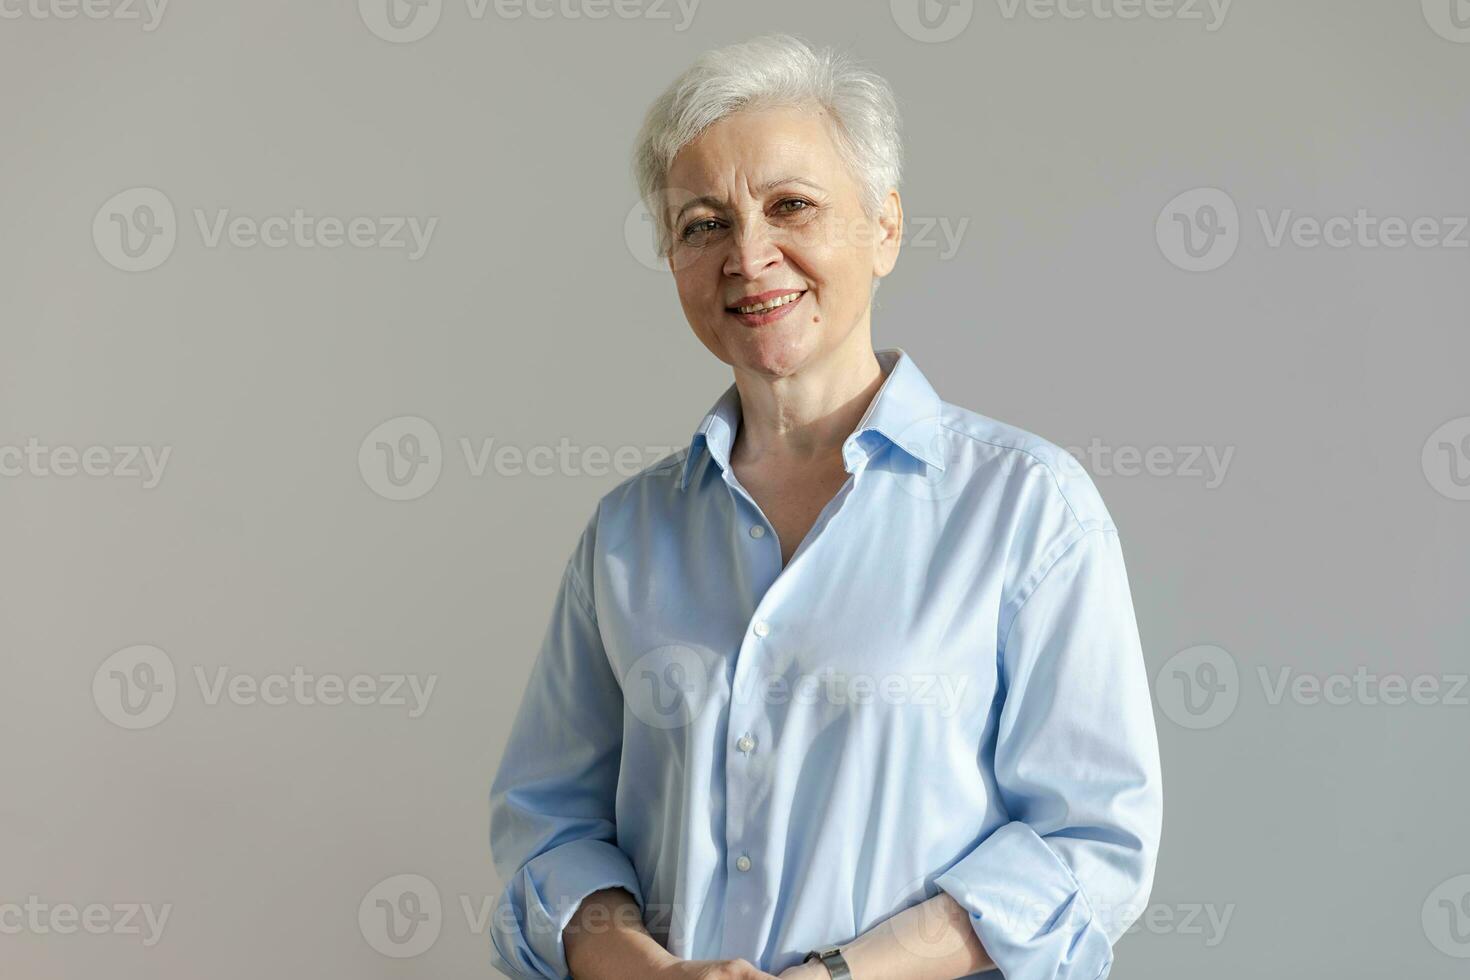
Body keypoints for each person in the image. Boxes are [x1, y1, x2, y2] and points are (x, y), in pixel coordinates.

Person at [488, 33, 1162, 980]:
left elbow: (1090, 847)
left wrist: (839, 976)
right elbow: (548, 827)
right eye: (702, 224)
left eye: (791, 206)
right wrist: (649, 971)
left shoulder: (1028, 512)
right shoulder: (627, 536)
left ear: (885, 227)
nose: (749, 255)